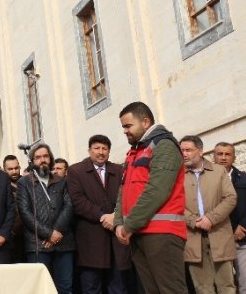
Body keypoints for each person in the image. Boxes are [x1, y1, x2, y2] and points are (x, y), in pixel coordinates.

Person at [114, 102, 187, 294]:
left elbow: (157, 190)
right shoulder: (134, 151)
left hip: (161, 233)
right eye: (123, 127)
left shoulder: (164, 146)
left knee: (171, 290)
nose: (125, 131)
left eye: (128, 126)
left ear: (145, 122)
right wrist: (119, 222)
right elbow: (123, 190)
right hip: (139, 232)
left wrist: (129, 225)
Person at [66, 135, 132, 294]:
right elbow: (78, 200)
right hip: (91, 240)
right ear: (89, 150)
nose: (100, 152)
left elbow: (127, 196)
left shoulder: (118, 170)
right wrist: (103, 216)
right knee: (91, 287)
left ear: (109, 151)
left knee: (118, 287)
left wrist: (115, 216)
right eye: (96, 148)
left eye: (104, 149)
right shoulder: (76, 170)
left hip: (117, 238)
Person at [179, 135, 236, 294]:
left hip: (219, 234)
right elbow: (174, 204)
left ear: (200, 151)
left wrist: (211, 218)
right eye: (182, 150)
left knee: (227, 286)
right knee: (202, 288)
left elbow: (231, 198)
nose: (184, 154)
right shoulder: (176, 176)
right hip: (192, 236)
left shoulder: (218, 171)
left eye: (188, 150)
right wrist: (192, 220)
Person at [18, 144, 75, 294]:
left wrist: (57, 232)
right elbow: (24, 212)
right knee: (40, 289)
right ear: (32, 161)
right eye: (38, 157)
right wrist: (49, 234)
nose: (42, 160)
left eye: (45, 156)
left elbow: (69, 206)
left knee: (65, 286)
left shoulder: (62, 181)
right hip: (37, 244)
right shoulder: (24, 183)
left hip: (63, 242)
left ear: (50, 159)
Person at [213, 141, 246, 294]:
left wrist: (243, 227)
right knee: (223, 285)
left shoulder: (242, 178)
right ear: (213, 157)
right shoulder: (206, 180)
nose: (223, 158)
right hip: (218, 240)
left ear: (234, 158)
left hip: (243, 238)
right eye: (219, 154)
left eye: (227, 154)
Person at [3, 154, 25, 263]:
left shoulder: (28, 183)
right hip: (10, 236)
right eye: (10, 169)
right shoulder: (1, 186)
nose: (14, 171)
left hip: (28, 236)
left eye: (16, 168)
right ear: (4, 170)